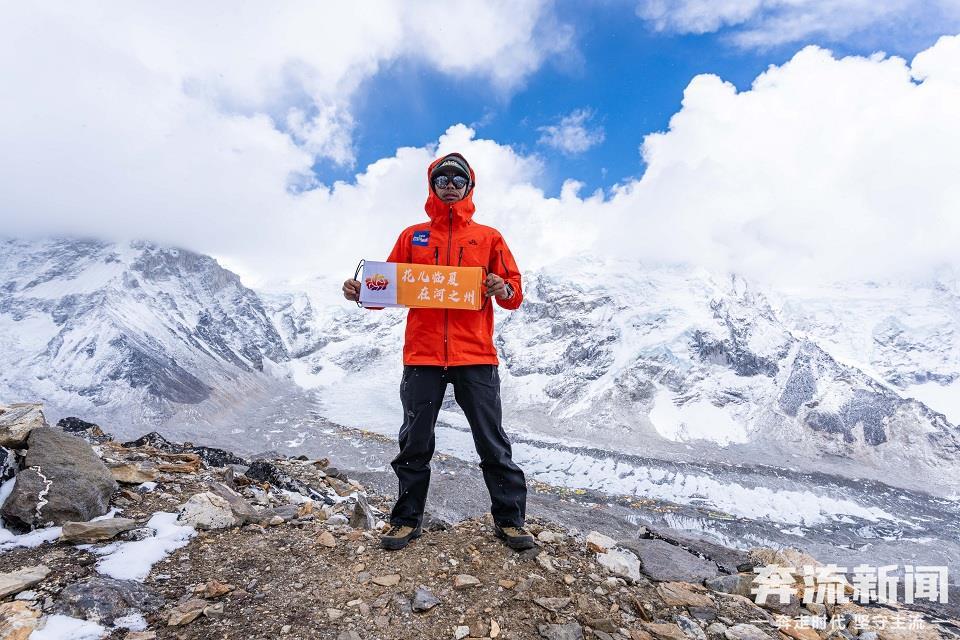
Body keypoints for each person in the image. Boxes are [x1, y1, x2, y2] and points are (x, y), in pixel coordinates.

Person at [342, 152, 534, 551]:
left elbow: (513, 295)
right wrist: (363, 292)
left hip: (475, 355)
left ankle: (510, 521)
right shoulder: (412, 236)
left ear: (469, 186)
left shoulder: (489, 237)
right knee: (415, 442)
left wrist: (502, 287)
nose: (449, 183)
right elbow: (387, 288)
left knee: (491, 441)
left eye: (457, 178)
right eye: (442, 177)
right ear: (432, 185)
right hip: (423, 356)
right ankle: (406, 520)